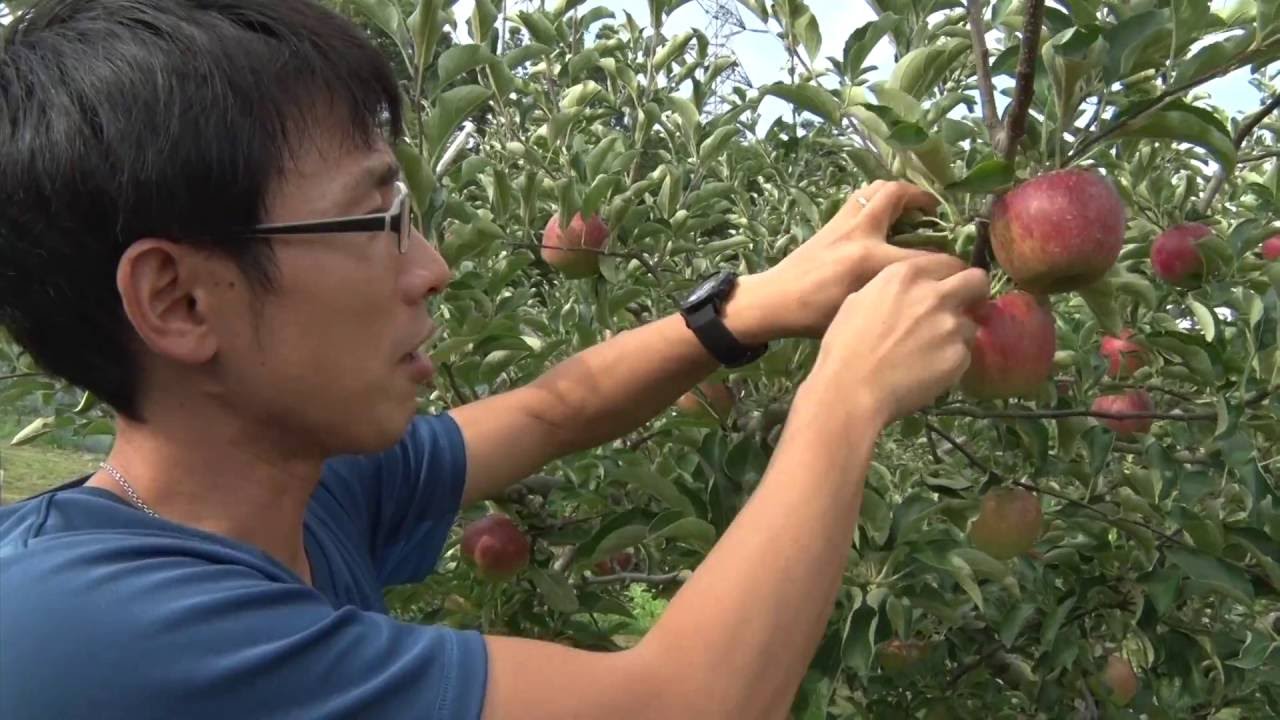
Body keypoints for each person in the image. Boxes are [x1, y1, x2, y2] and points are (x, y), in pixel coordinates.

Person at [0, 1, 989, 718]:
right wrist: (846, 396)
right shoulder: (96, 633)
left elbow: (553, 411)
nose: (431, 268)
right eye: (379, 220)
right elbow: (680, 705)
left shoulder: (294, 488)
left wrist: (754, 305)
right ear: (178, 300)